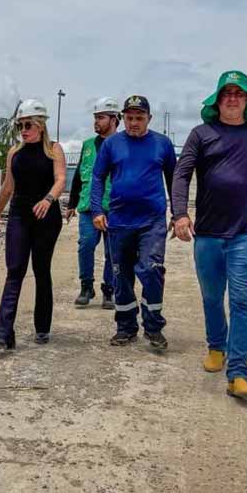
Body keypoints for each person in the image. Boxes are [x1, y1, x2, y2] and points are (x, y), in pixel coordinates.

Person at [171, 70, 247, 401]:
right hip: (207, 232)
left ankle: (238, 372)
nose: (233, 98)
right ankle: (216, 346)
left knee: (241, 301)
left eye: (239, 93)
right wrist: (179, 214)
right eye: (227, 93)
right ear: (218, 100)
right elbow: (181, 176)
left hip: (246, 234)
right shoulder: (201, 134)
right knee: (211, 297)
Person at [90, 95, 177, 349]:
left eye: (139, 118)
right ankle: (126, 327)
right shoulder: (111, 145)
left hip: (152, 221)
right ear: (123, 119)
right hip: (119, 221)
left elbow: (174, 180)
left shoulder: (162, 144)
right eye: (129, 118)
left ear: (149, 118)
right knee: (121, 276)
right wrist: (97, 210)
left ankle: (153, 326)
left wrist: (178, 212)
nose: (134, 123)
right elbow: (97, 178)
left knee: (151, 270)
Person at [0, 99, 68, 351]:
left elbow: (61, 179)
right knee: (15, 271)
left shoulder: (54, 150)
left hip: (47, 218)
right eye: (20, 125)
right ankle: (3, 334)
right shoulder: (14, 153)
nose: (23, 129)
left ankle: (42, 326)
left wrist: (48, 199)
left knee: (41, 270)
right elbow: (7, 187)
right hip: (19, 216)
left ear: (41, 126)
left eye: (28, 124)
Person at [66, 97, 121, 310]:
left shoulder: (122, 143)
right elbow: (80, 174)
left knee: (112, 251)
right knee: (86, 245)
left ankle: (109, 290)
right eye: (95, 118)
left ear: (114, 119)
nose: (96, 122)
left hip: (115, 207)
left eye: (101, 118)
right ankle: (86, 286)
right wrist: (72, 203)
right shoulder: (88, 145)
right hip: (89, 206)